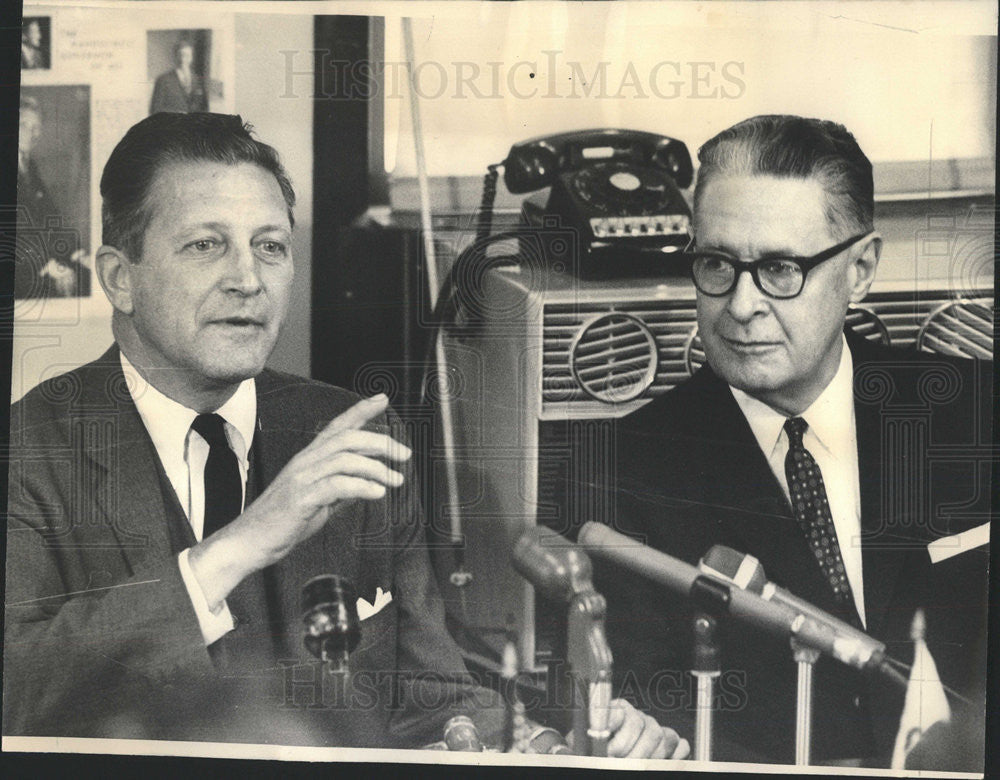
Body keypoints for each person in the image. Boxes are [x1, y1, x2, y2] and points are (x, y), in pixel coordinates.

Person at [4, 111, 688, 758]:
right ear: (121, 279)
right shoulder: (30, 449)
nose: (247, 279)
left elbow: (431, 697)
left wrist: (548, 745)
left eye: (270, 246)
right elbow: (17, 694)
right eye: (206, 245)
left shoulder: (351, 432)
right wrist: (237, 548)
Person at [595, 115, 990, 769]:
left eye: (780, 268)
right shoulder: (624, 470)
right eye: (717, 263)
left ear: (860, 269)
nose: (741, 304)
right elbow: (647, 703)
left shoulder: (977, 415)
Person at [15, 95, 91, 299]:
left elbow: (51, 215)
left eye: (37, 127)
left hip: (38, 256)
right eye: (24, 125)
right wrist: (49, 266)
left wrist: (76, 253)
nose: (33, 134)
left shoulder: (29, 166)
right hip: (17, 264)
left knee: (88, 276)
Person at [150, 39, 209, 114]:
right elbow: (155, 110)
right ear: (175, 57)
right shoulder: (163, 80)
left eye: (187, 55)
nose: (183, 59)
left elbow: (205, 108)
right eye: (180, 55)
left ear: (192, 57)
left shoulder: (199, 80)